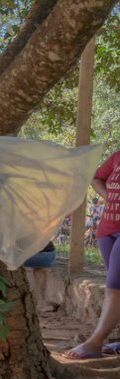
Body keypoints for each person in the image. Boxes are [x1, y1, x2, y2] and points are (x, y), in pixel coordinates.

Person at [66, 148, 120, 359]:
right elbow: (97, 178)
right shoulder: (117, 156)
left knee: (115, 288)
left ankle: (94, 344)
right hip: (108, 230)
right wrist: (109, 197)